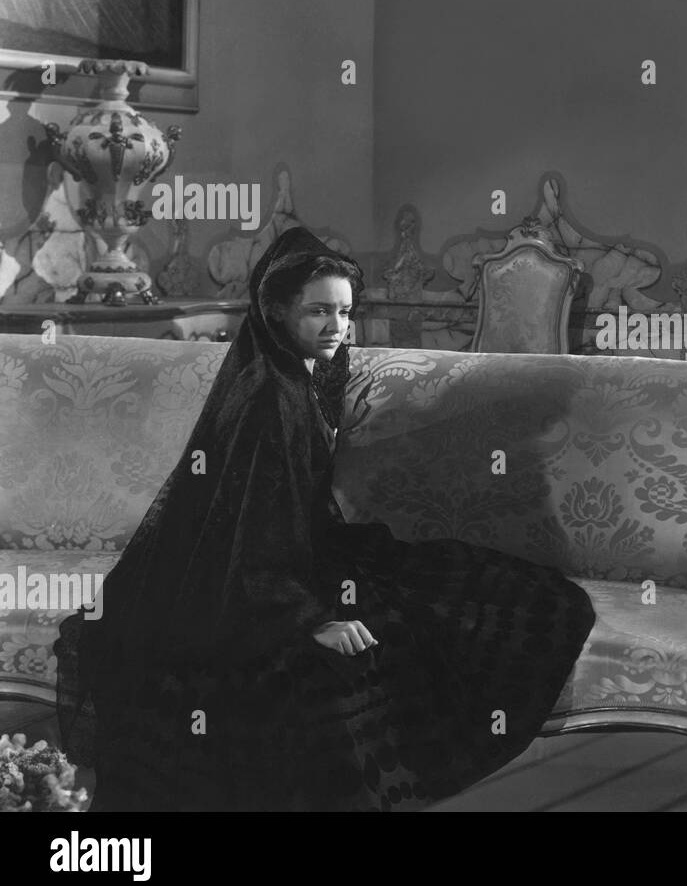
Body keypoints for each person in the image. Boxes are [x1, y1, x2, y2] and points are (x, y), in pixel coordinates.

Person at [53, 226, 596, 811]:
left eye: (344, 311)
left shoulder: (295, 371)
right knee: (500, 615)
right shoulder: (269, 399)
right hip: (253, 580)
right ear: (278, 311)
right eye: (317, 312)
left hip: (300, 553)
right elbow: (251, 532)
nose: (336, 326)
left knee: (512, 596)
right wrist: (313, 621)